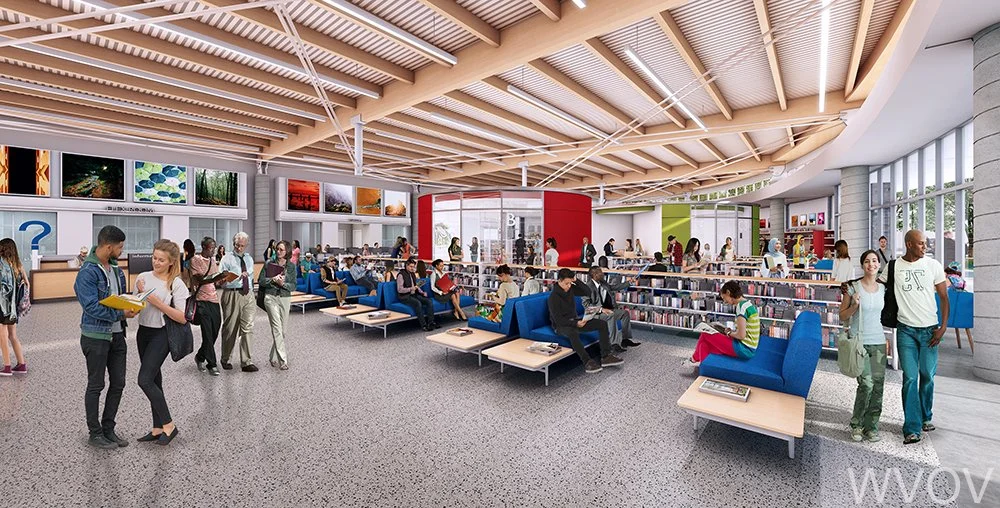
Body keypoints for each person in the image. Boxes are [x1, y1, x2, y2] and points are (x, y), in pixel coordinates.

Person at [74, 226, 136, 449]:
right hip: (96, 337)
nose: (122, 250)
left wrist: (133, 301)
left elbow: (119, 297)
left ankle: (109, 429)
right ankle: (95, 433)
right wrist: (121, 313)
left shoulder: (116, 269)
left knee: (118, 383)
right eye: (120, 247)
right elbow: (91, 307)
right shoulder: (88, 272)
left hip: (118, 335)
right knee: (96, 385)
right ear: (109, 247)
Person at [889, 230, 948, 445]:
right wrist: (850, 286)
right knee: (910, 377)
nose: (925, 247)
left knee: (927, 375)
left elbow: (944, 297)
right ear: (909, 244)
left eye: (925, 243)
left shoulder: (933, 265)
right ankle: (912, 428)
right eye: (921, 244)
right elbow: (874, 282)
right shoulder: (894, 266)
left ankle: (925, 416)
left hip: (930, 331)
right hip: (905, 330)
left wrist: (943, 327)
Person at [132, 239, 188, 446]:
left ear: (171, 262)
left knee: (144, 380)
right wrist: (134, 301)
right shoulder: (142, 278)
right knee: (154, 380)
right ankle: (157, 429)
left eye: (161, 260)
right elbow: (135, 307)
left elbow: (182, 317)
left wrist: (157, 302)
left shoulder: (176, 284)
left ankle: (169, 425)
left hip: (162, 334)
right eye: (154, 258)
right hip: (143, 332)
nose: (156, 262)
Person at [839, 250, 887, 443]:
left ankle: (871, 427)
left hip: (879, 342)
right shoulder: (853, 288)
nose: (871, 264)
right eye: (867, 261)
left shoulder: (883, 288)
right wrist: (854, 306)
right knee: (866, 385)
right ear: (862, 265)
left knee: (878, 387)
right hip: (859, 342)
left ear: (879, 265)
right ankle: (857, 424)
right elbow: (842, 315)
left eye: (874, 261)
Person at [548, 268, 621, 373]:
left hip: (575, 320)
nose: (569, 286)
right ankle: (587, 362)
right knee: (572, 333)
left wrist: (576, 280)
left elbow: (587, 291)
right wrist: (576, 323)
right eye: (566, 283)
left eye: (570, 283)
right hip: (561, 326)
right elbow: (558, 320)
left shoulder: (570, 289)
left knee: (602, 324)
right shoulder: (553, 298)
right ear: (559, 280)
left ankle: (606, 356)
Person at [682, 281, 759, 368]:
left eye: (724, 298)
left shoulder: (741, 308)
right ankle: (703, 366)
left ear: (728, 293)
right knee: (704, 345)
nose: (725, 301)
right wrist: (730, 332)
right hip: (748, 347)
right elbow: (745, 331)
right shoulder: (747, 304)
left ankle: (694, 360)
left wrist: (729, 333)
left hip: (743, 349)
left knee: (705, 334)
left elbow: (741, 335)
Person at [218, 232, 257, 372]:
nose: (239, 248)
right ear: (233, 244)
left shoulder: (249, 259)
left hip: (248, 294)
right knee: (230, 328)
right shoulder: (226, 258)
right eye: (237, 245)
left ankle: (246, 362)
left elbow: (251, 277)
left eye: (242, 246)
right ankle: (226, 358)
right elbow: (220, 280)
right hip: (232, 293)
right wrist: (234, 278)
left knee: (248, 328)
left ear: (246, 245)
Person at [258, 240, 296, 371]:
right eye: (277, 249)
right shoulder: (269, 263)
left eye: (281, 250)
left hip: (285, 298)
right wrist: (272, 280)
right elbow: (261, 281)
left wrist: (283, 284)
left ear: (287, 251)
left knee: (283, 331)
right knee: (277, 328)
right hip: (270, 297)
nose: (278, 252)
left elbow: (293, 285)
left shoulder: (291, 267)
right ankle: (283, 360)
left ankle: (272, 356)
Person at [583, 266, 640, 353]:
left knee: (625, 313)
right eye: (599, 272)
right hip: (595, 314)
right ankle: (614, 344)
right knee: (610, 315)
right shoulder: (587, 287)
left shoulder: (602, 282)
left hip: (608, 310)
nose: (602, 273)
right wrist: (601, 309)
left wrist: (629, 282)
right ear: (594, 275)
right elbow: (586, 305)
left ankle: (625, 339)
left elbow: (614, 287)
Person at [189, 237, 223, 376]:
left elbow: (215, 281)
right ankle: (212, 364)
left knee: (215, 332)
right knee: (207, 333)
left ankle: (200, 356)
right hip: (201, 300)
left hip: (214, 300)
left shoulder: (213, 261)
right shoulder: (195, 260)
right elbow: (199, 279)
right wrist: (214, 277)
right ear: (203, 247)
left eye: (214, 248)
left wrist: (223, 279)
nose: (213, 251)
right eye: (211, 248)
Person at [0, 238, 27, 376]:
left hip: (2, 306)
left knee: (2, 335)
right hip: (13, 308)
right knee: (13, 335)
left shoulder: (1, 264)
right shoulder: (18, 265)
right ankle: (22, 364)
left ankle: (7, 366)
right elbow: (26, 284)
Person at [397, 258, 437, 331]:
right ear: (406, 266)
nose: (412, 268)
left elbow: (416, 286)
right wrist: (411, 289)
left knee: (429, 301)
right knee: (417, 303)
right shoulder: (401, 275)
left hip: (414, 294)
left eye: (413, 267)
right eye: (411, 267)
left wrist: (422, 292)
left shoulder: (412, 274)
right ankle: (424, 325)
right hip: (405, 296)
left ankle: (431, 323)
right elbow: (400, 290)